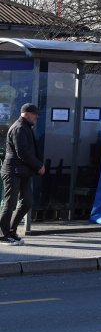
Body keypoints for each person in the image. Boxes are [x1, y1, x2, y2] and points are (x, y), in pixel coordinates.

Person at [0, 103, 44, 245]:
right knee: (10, 203)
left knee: (27, 202)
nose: (37, 117)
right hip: (13, 171)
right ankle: (3, 234)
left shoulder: (25, 127)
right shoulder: (19, 128)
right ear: (27, 113)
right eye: (35, 114)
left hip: (23, 171)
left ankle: (11, 231)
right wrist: (38, 165)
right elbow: (22, 152)